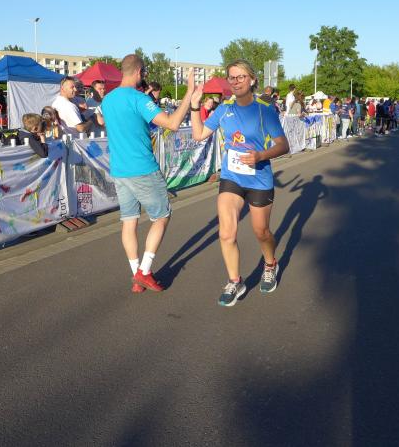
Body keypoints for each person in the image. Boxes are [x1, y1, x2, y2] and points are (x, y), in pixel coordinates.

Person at [190, 59, 289, 307]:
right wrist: (194, 107)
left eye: (241, 77)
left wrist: (260, 156)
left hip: (259, 178)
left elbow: (283, 145)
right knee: (226, 233)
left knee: (261, 232)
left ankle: (270, 264)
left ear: (252, 79)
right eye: (231, 77)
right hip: (231, 177)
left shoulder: (265, 110)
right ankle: (235, 281)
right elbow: (199, 135)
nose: (235, 82)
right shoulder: (223, 110)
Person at [100, 54, 194, 294]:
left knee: (129, 221)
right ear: (139, 72)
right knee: (161, 217)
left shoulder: (108, 100)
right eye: (145, 73)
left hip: (119, 170)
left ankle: (137, 275)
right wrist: (189, 93)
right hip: (142, 168)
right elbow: (172, 123)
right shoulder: (139, 98)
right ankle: (144, 271)